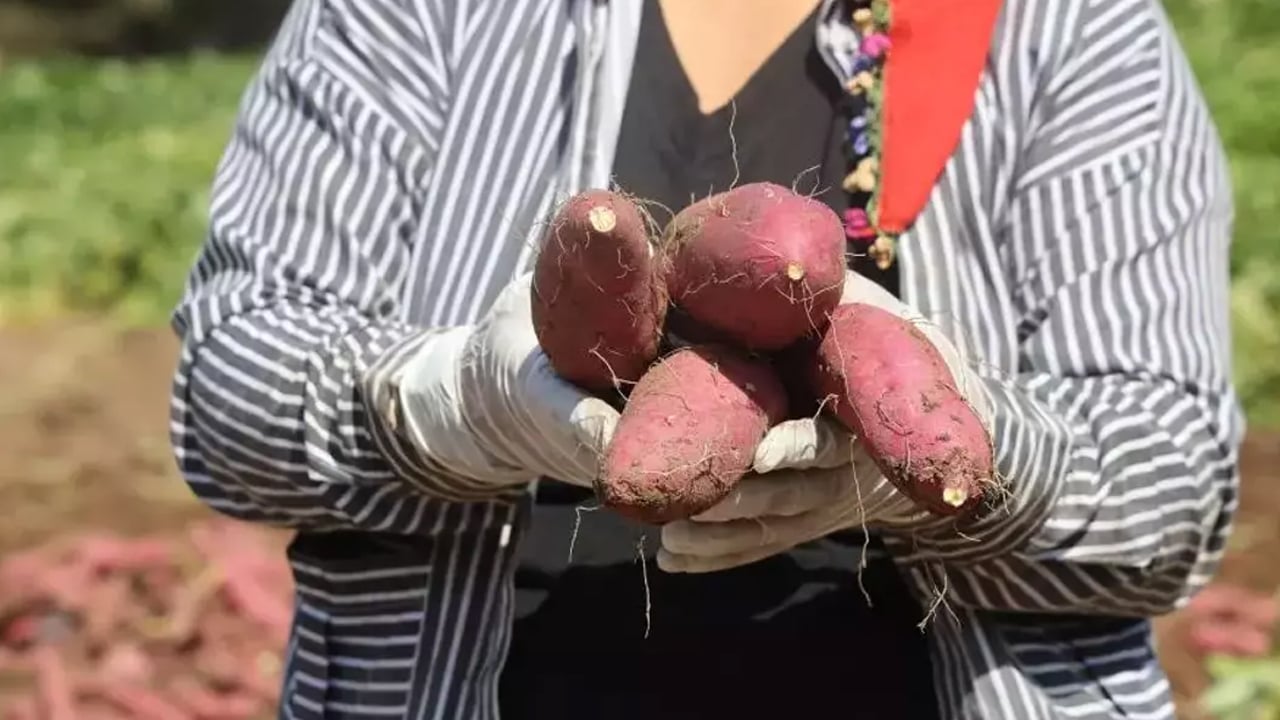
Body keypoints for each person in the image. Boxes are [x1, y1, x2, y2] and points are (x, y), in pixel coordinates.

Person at [166, 0, 1244, 717]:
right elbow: (228, 393)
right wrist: (449, 406)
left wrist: (962, 465)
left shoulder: (1065, 29)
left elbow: (1177, 491)